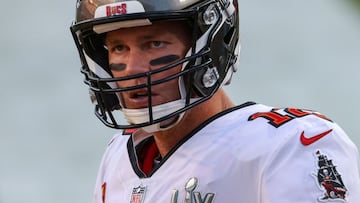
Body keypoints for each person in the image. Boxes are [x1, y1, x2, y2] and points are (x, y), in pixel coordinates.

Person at [70, 0, 360, 202]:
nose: (132, 67)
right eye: (119, 48)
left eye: (154, 43)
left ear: (210, 43)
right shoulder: (119, 156)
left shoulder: (292, 143)